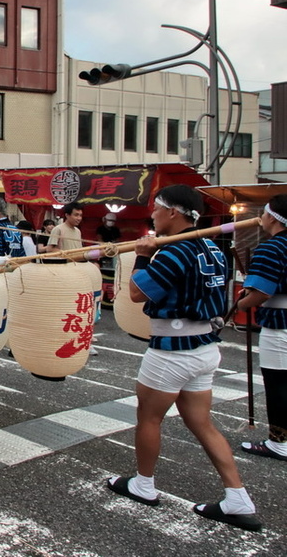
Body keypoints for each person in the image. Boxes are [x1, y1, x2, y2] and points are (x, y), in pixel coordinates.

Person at [106, 184, 262, 532]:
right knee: (200, 422)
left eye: (157, 209)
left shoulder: (174, 251)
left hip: (173, 351)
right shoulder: (212, 248)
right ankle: (237, 496)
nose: (153, 215)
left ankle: (143, 485)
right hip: (204, 347)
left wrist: (144, 255)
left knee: (149, 417)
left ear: (173, 213)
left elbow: (135, 293)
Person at [235, 194, 287, 463]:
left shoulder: (272, 247)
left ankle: (279, 441)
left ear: (272, 217)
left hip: (281, 323)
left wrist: (241, 304)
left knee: (278, 383)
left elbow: (262, 292)